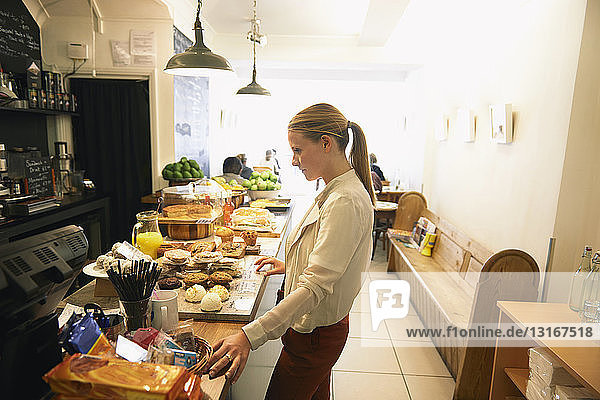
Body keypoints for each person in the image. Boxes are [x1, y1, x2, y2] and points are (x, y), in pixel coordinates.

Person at [202, 103, 376, 399]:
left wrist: (248, 336)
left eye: (298, 150)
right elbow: (333, 259)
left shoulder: (344, 199)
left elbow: (316, 286)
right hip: (318, 330)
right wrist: (291, 266)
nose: (294, 161)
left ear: (326, 143)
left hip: (315, 336)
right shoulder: (335, 189)